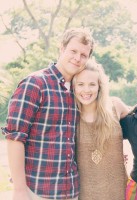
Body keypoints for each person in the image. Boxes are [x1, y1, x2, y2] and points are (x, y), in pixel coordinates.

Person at [1, 28, 94, 200]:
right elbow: (14, 138)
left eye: (83, 54)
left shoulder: (80, 91)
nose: (77, 58)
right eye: (73, 51)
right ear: (61, 48)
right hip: (37, 191)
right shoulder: (35, 84)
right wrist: (20, 190)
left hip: (71, 191)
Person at [73, 59, 129, 200]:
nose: (86, 90)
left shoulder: (115, 106)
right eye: (80, 84)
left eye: (92, 84)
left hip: (118, 191)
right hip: (85, 193)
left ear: (99, 86)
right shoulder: (70, 116)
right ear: (73, 87)